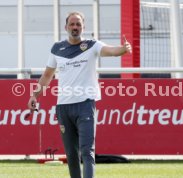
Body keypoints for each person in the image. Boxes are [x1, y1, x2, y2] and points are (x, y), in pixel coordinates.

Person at [27, 11, 131, 178]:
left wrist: (123, 49)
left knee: (87, 150)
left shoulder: (92, 45)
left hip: (85, 105)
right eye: (72, 24)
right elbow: (47, 75)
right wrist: (35, 96)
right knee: (72, 155)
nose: (75, 27)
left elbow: (111, 51)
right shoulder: (56, 48)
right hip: (63, 108)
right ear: (66, 27)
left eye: (78, 24)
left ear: (83, 27)